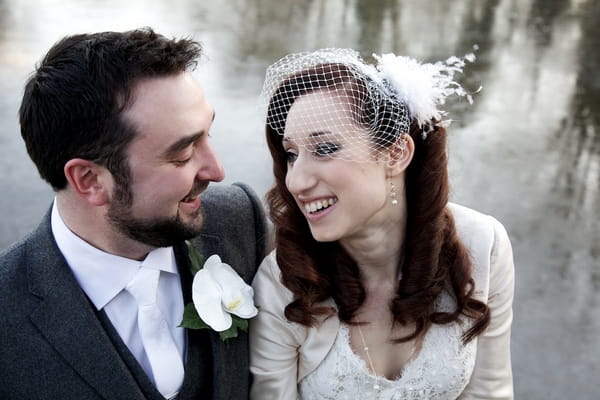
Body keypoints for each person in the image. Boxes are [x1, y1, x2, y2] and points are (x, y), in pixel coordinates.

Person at [0, 28, 267, 400]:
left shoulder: (241, 221)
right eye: (183, 155)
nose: (216, 170)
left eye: (209, 134)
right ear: (90, 180)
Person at [250, 48, 515, 399]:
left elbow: (489, 392)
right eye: (291, 154)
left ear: (395, 154)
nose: (295, 182)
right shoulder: (284, 280)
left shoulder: (484, 245)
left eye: (325, 148)